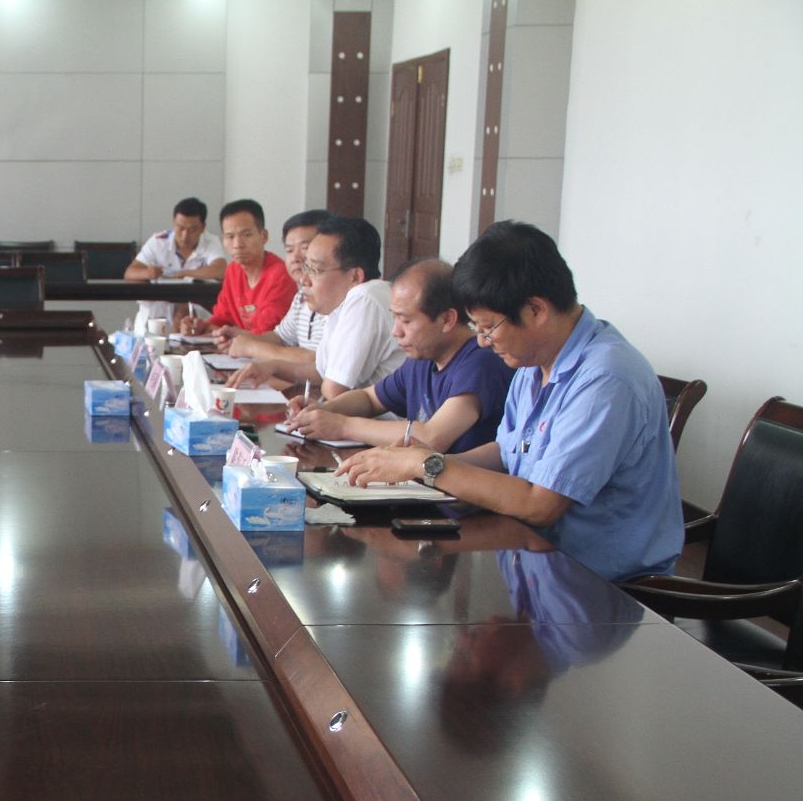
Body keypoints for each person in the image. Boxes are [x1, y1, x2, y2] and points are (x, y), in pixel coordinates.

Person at [338, 221, 682, 583]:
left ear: (536, 310)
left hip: (601, 585)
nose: (482, 342)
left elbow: (540, 504)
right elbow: (506, 452)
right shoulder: (534, 364)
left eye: (488, 327)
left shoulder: (605, 379)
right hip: (530, 558)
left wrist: (428, 466)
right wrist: (413, 465)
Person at [277, 258, 512, 453]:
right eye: (395, 318)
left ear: (447, 319)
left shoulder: (480, 363)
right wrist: (324, 410)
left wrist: (342, 425)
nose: (395, 331)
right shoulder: (422, 360)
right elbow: (369, 399)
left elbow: (431, 437)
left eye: (406, 320)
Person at [228, 215, 404, 400]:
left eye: (315, 270)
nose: (304, 279)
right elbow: (323, 372)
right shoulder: (340, 305)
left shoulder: (365, 298)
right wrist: (273, 367)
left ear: (355, 277)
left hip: (381, 418)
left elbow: (334, 390)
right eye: (306, 267)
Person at [176, 199, 298, 339]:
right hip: (241, 349)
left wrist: (223, 332)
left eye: (246, 235)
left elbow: (266, 335)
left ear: (264, 236)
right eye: (230, 236)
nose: (238, 244)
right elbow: (220, 319)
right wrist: (200, 327)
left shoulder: (280, 274)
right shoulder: (233, 270)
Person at [219, 209, 331, 362]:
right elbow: (280, 338)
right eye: (289, 250)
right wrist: (239, 337)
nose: (295, 257)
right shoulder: (301, 297)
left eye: (305, 248)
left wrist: (250, 347)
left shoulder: (335, 300)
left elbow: (317, 361)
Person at [124, 197, 227, 330]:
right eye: (180, 228)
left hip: (196, 321)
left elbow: (220, 270)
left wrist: (185, 273)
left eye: (192, 230)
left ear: (202, 228)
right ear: (173, 223)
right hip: (155, 318)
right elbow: (130, 273)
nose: (185, 235)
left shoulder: (211, 242)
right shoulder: (158, 241)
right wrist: (148, 273)